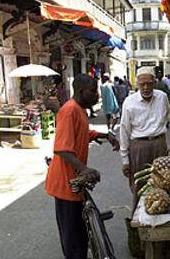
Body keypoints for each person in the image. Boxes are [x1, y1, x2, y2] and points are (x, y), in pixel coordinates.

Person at [45, 74, 120, 259]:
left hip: (75, 183)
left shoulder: (79, 110)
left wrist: (103, 135)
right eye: (93, 91)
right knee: (73, 239)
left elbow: (82, 132)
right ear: (80, 91)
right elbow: (62, 148)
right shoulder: (69, 110)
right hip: (65, 184)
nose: (97, 95)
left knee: (81, 233)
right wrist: (83, 169)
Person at [120, 66, 170, 208]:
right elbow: (124, 130)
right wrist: (125, 160)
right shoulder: (129, 102)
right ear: (137, 84)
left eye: (149, 83)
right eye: (142, 84)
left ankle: (160, 216)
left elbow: (167, 115)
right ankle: (138, 222)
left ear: (154, 82)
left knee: (164, 182)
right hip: (139, 148)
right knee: (140, 186)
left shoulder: (162, 97)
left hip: (160, 145)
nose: (146, 87)